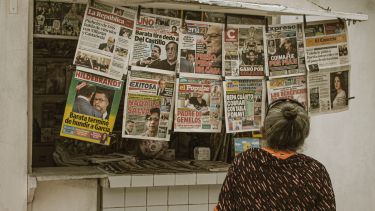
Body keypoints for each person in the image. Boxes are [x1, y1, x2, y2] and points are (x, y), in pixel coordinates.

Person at [216, 99, 335, 210]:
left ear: (264, 131)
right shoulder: (315, 171)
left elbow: (224, 207)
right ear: (304, 135)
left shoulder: (244, 162)